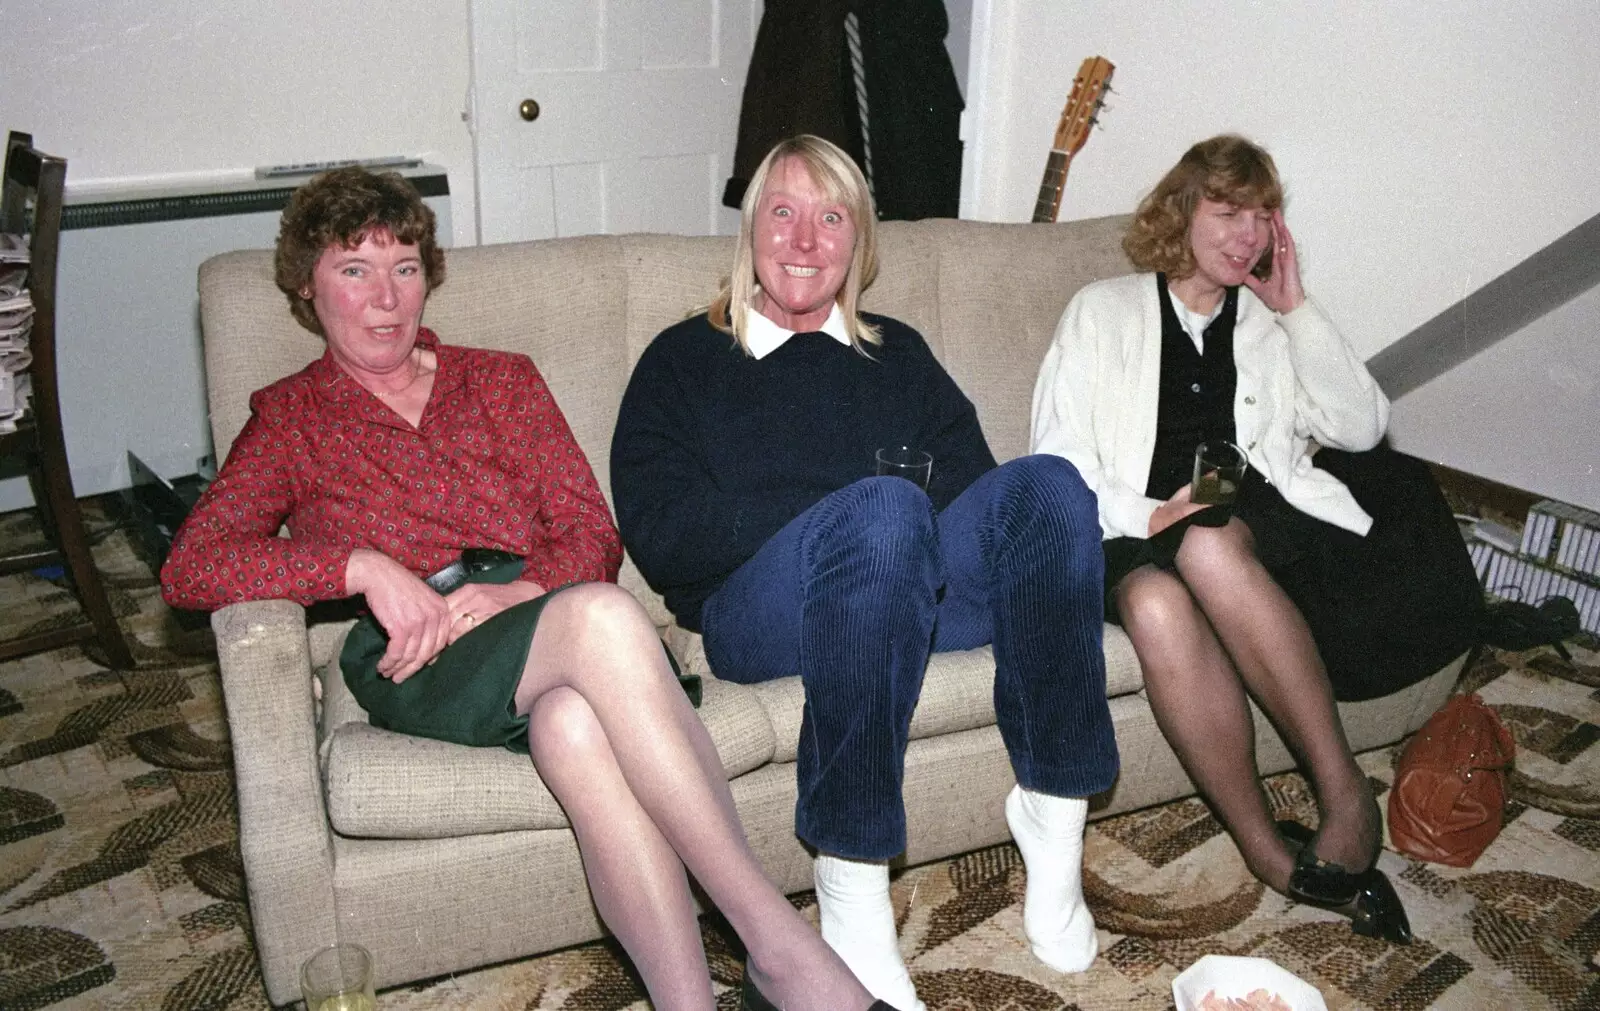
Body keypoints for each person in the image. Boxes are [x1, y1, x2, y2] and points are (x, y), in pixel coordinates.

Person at [160, 167, 896, 1011]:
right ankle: (779, 948)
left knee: (573, 724)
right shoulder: (293, 417)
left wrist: (527, 591)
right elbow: (192, 564)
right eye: (353, 270)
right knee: (605, 616)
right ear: (306, 286)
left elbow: (590, 527)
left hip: (542, 618)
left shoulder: (499, 380)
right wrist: (359, 567)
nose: (386, 297)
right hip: (426, 651)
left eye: (403, 267)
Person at [611, 135, 1119, 1011]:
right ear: (750, 233)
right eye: (784, 213)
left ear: (859, 243)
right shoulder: (683, 359)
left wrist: (896, 521)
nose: (805, 240)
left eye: (831, 217)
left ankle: (1054, 812)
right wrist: (839, 519)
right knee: (883, 512)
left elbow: (982, 500)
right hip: (757, 612)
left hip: (908, 594)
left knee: (1048, 487)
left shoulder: (900, 353)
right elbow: (661, 534)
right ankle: (850, 884)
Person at [1030, 134, 1451, 945]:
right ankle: (1266, 850)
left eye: (1262, 215)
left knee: (1208, 545)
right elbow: (1058, 454)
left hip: (1253, 523)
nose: (1248, 234)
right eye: (1228, 212)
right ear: (1182, 211)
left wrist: (1296, 309)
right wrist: (1147, 514)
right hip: (1135, 522)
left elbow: (1361, 430)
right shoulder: (1102, 308)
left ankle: (1343, 794)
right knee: (1153, 600)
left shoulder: (1265, 322)